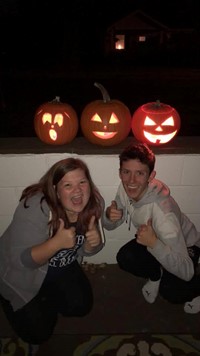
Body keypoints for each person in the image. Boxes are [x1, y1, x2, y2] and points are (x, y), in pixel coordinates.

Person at [0, 157, 105, 352]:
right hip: (22, 274)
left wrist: (93, 244)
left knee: (80, 306)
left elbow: (85, 248)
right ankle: (9, 297)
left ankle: (44, 297)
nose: (78, 191)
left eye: (82, 182)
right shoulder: (35, 207)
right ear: (55, 190)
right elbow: (20, 262)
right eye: (68, 185)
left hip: (59, 268)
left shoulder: (92, 204)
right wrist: (55, 244)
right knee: (38, 333)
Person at [103, 142, 200, 314]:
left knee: (172, 292)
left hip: (185, 246)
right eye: (126, 172)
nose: (131, 181)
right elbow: (110, 226)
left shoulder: (164, 216)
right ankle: (156, 276)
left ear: (150, 175)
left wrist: (154, 243)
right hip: (152, 238)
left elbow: (186, 270)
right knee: (125, 257)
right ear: (120, 173)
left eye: (139, 173)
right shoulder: (125, 187)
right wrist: (109, 216)